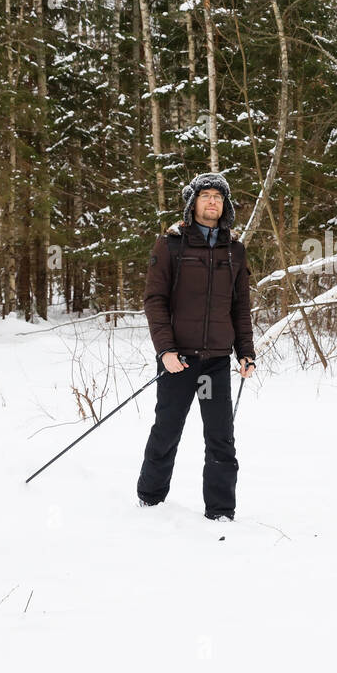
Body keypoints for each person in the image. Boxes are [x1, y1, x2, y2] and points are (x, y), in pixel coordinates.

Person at [138, 172, 255, 521]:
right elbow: (154, 300)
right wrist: (166, 351)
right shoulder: (171, 244)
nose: (212, 202)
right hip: (180, 360)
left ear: (226, 205)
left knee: (221, 438)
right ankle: (150, 500)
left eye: (218, 197)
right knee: (167, 430)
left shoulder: (234, 250)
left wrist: (245, 352)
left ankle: (220, 512)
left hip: (217, 361)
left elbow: (240, 307)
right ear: (193, 203)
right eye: (205, 195)